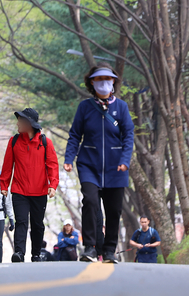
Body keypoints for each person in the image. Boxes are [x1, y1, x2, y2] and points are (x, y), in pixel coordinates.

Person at [64, 64, 134, 264]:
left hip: (116, 167)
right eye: (99, 79)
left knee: (114, 210)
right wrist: (69, 158)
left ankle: (110, 251)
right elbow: (75, 135)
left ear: (113, 82)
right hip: (89, 165)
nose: (104, 83)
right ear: (92, 83)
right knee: (91, 203)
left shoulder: (121, 107)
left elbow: (128, 134)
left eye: (108, 79)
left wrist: (125, 160)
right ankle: (90, 248)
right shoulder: (85, 107)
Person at [1, 108, 59, 263]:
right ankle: (19, 252)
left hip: (40, 191)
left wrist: (53, 185)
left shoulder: (45, 142)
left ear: (30, 124)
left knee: (37, 224)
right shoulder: (14, 141)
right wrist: (4, 185)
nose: (18, 123)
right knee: (21, 221)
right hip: (19, 190)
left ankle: (35, 253)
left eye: (21, 120)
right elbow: (7, 166)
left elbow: (52, 165)